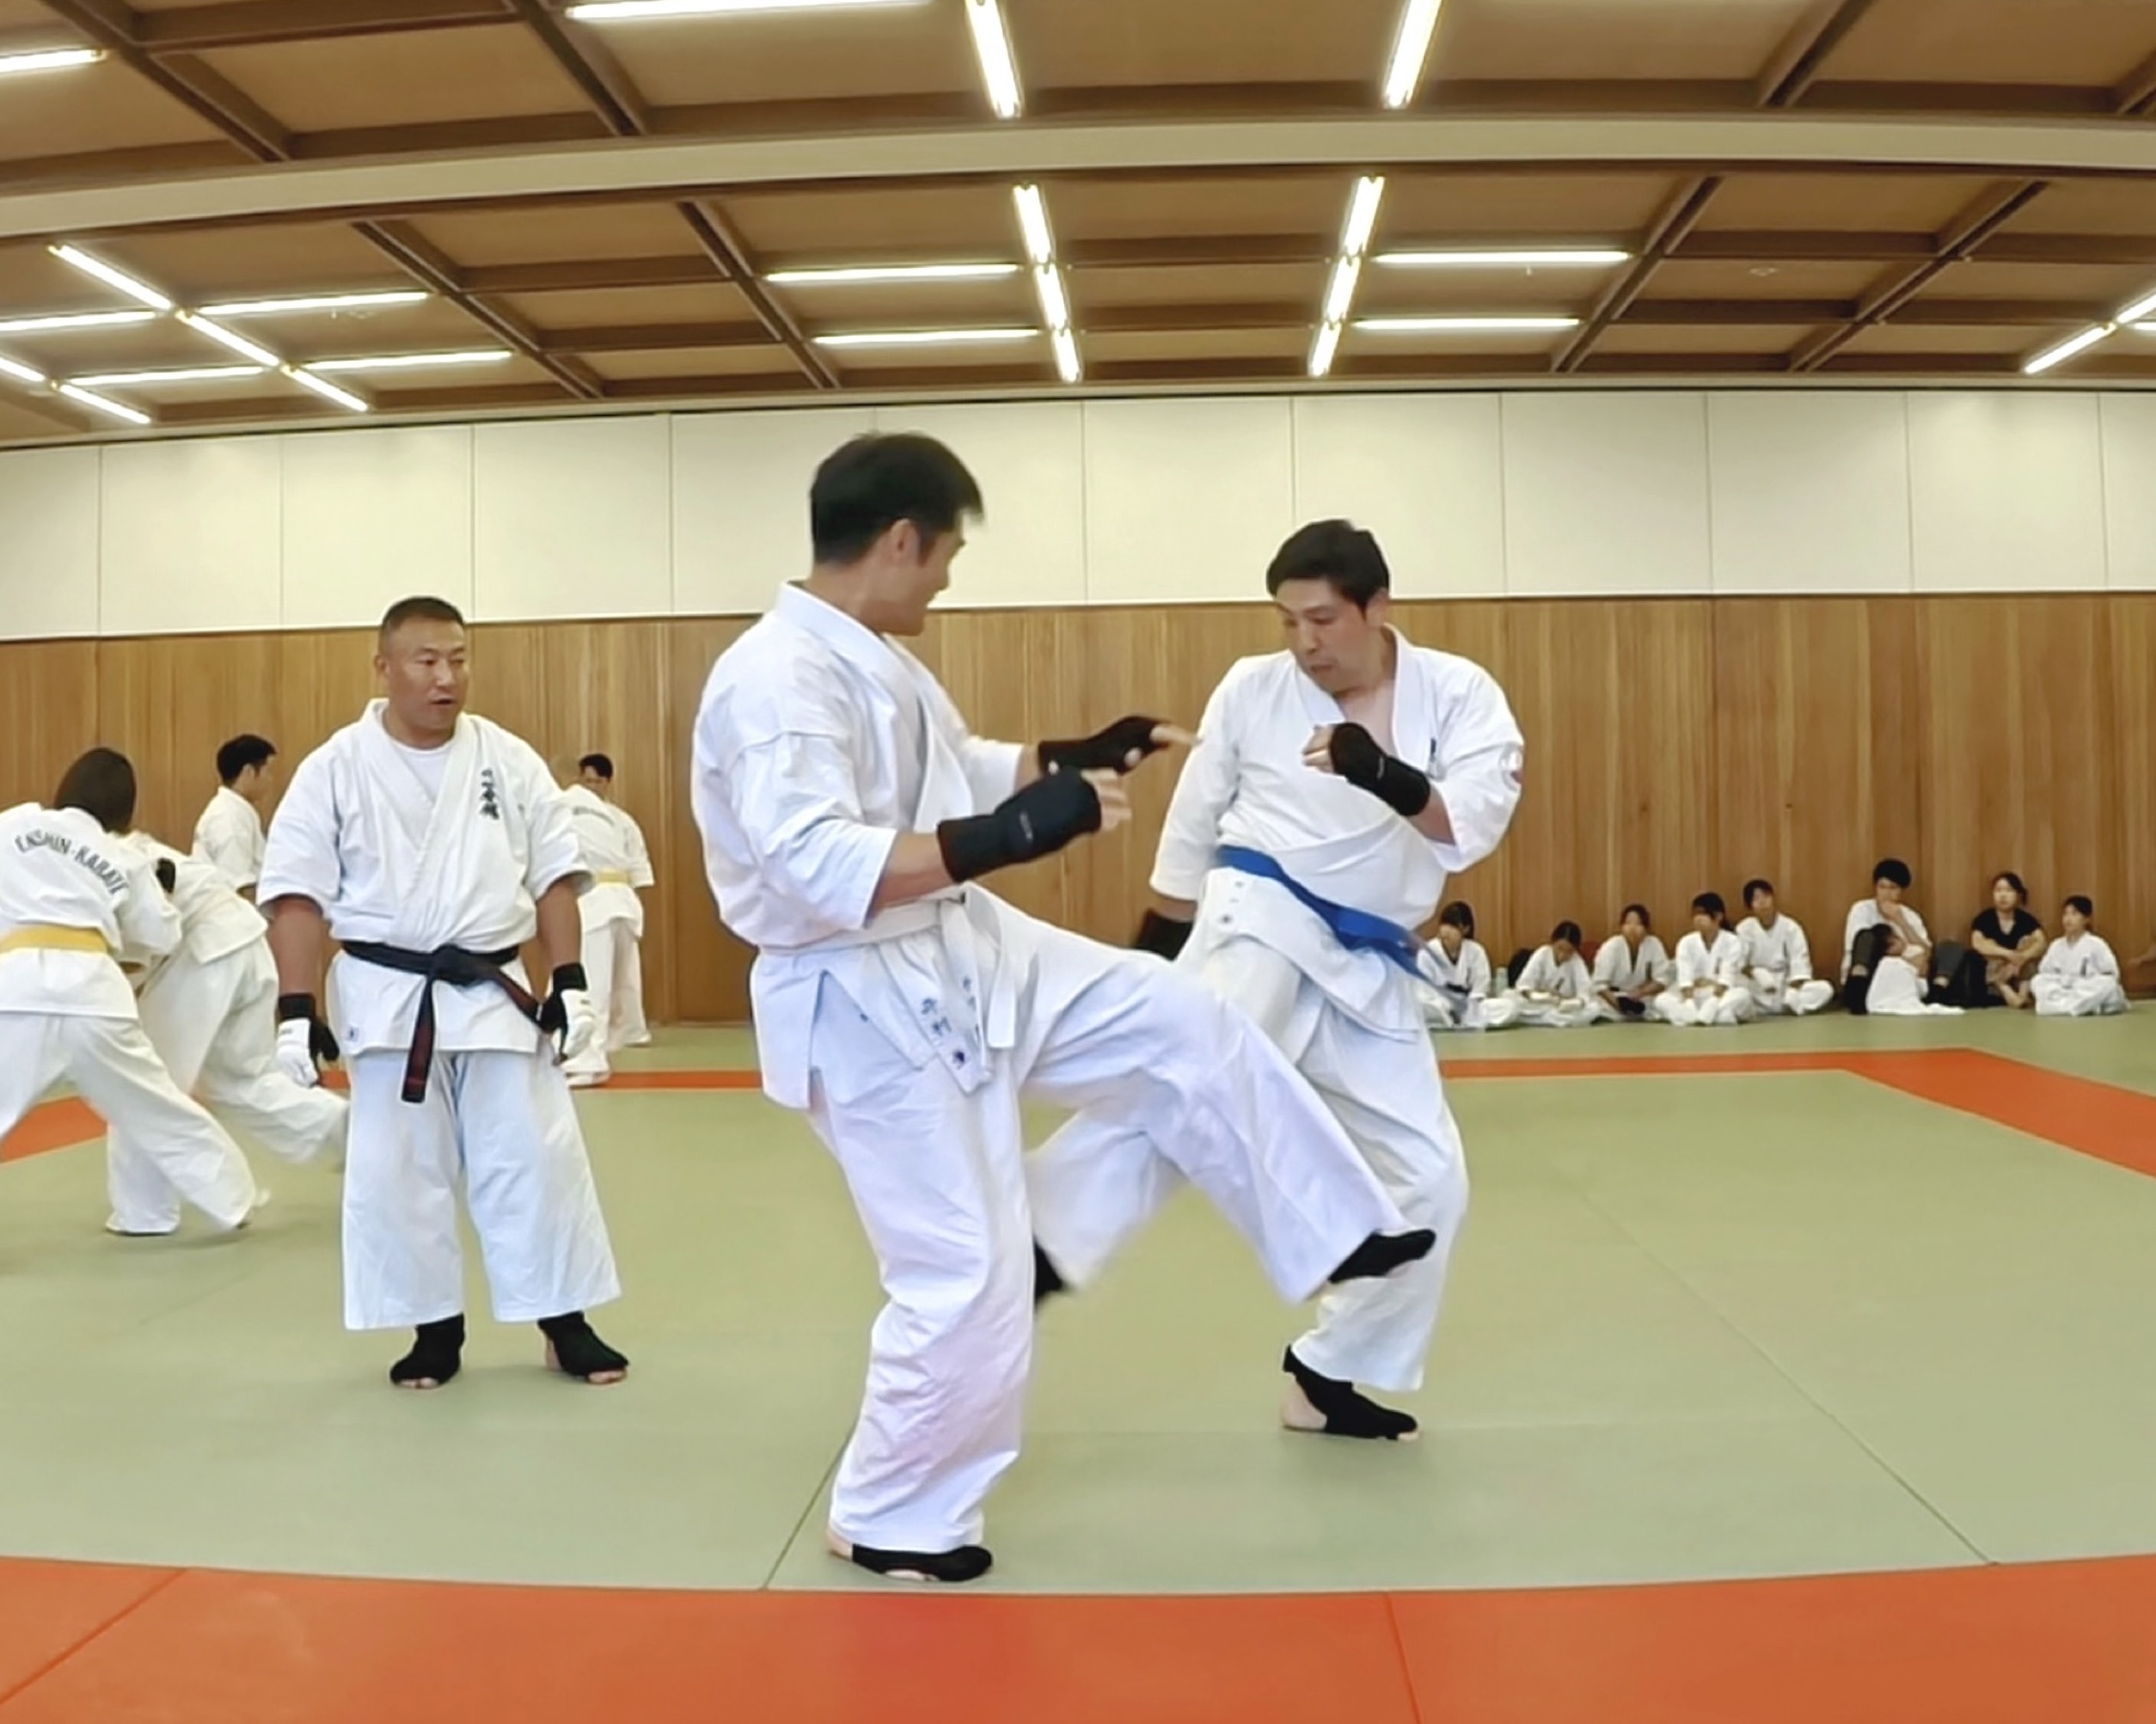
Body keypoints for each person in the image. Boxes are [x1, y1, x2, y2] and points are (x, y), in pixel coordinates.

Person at [690, 434, 1434, 1585]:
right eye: (946, 554)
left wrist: (1063, 756)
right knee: (964, 1271)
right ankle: (891, 1511)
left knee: (1181, 1016)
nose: (947, 578)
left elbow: (955, 764)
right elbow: (814, 862)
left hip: (961, 942)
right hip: (860, 991)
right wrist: (1010, 834)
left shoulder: (871, 656)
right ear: (900, 540)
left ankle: (1333, 1224)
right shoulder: (773, 680)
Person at [1032, 519, 1524, 1445]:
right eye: (1288, 621)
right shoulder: (1254, 687)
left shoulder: (1459, 693)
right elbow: (1193, 819)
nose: (1304, 641)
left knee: (1431, 1180)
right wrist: (1158, 954)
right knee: (1194, 1067)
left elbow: (1470, 826)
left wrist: (1383, 773)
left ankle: (1327, 1371)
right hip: (1259, 912)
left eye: (1323, 619)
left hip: (1370, 961)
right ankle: (1031, 1244)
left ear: (1377, 608)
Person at [257, 597, 627, 1394]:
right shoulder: (335, 766)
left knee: (534, 1157)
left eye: (458, 659)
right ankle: (433, 1329)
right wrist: (295, 1011)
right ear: (383, 667)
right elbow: (296, 894)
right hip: (388, 993)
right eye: (426, 660)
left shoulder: (507, 757)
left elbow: (555, 875)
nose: (445, 677)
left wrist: (569, 983)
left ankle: (563, 1320)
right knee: (399, 1170)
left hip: (493, 987)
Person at [0, 749, 259, 1233]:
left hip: (18, 988)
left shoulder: (14, 825)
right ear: (124, 810)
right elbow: (160, 935)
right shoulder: (122, 855)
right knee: (153, 1104)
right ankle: (232, 1200)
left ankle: (183, 1207)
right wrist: (161, 894)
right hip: (95, 993)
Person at [104, 827, 349, 1237]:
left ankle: (146, 1211)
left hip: (208, 950)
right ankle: (347, 1131)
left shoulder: (97, 859)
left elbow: (158, 893)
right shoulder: (111, 849)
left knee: (142, 1083)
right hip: (244, 941)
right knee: (242, 1081)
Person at [559, 754, 656, 1088]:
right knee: (599, 980)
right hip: (597, 899)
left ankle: (597, 1051)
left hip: (614, 900)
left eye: (596, 781)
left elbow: (638, 866)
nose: (590, 786)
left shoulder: (614, 818)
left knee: (610, 981)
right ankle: (594, 1048)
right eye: (586, 780)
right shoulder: (571, 805)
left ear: (608, 782)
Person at [192, 734, 278, 897]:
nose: (270, 779)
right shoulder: (229, 818)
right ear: (249, 772)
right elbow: (239, 887)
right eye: (267, 772)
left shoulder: (234, 811)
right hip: (228, 910)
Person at [1655, 892, 1756, 1028]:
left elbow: (1727, 977)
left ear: (1718, 916)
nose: (1698, 918)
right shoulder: (1686, 942)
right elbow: (1684, 978)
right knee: (1661, 1000)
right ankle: (1698, 1015)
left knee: (1743, 995)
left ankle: (1699, 1016)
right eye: (1695, 914)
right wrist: (1689, 1003)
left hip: (1721, 995)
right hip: (1693, 994)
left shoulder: (1732, 941)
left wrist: (1712, 1001)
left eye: (1703, 914)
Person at [1735, 880, 1833, 1017]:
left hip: (1784, 985)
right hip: (1757, 986)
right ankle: (1759, 1008)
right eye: (1756, 899)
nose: (1763, 903)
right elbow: (1739, 963)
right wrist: (1757, 972)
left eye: (1766, 897)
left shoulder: (1791, 927)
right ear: (1749, 906)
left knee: (1825, 989)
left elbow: (1799, 963)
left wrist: (1793, 989)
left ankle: (1789, 1005)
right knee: (1736, 985)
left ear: (1773, 899)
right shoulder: (1744, 928)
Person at [2032, 896, 2127, 1017]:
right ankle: (2084, 1007)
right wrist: (2063, 983)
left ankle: (2062, 1007)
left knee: (2108, 984)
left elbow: (2111, 974)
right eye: (2065, 914)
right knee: (2037, 981)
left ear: (2086, 919)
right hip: (2064, 989)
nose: (2068, 919)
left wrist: (2083, 984)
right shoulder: (2056, 945)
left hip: (2085, 989)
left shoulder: (2096, 944)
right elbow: (2045, 972)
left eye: (2074, 914)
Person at [1421, 901, 1504, 1031]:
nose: (1446, 931)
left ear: (1466, 929)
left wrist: (1467, 1005)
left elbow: (1481, 988)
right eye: (1444, 925)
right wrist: (1444, 1005)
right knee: (1422, 1006)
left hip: (1468, 1009)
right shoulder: (1428, 951)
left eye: (1453, 926)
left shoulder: (1476, 951)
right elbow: (1423, 990)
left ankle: (1466, 1021)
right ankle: (1451, 1020)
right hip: (1440, 1007)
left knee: (1509, 1006)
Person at [1970, 873, 2046, 1009]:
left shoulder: (2026, 919)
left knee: (2028, 942)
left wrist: (2021, 958)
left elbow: (2041, 943)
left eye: (2008, 890)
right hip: (1995, 973)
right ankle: (2004, 988)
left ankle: (2023, 995)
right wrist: (2007, 954)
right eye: (1998, 890)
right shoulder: (1985, 918)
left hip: (2020, 972)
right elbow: (1977, 943)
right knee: (1990, 946)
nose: (2003, 895)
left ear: (2018, 895)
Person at [1504, 921, 1598, 1028]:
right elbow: (1523, 986)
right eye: (1560, 948)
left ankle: (1541, 1020)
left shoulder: (1576, 961)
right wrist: (1539, 996)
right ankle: (1555, 1020)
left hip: (1561, 1007)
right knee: (1511, 999)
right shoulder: (1542, 954)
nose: (1562, 955)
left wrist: (1574, 1003)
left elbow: (1585, 993)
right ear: (1553, 942)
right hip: (1538, 1004)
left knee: (1594, 1008)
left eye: (1569, 951)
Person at [1591, 904, 1670, 1020]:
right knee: (1593, 1009)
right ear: (1621, 926)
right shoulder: (1611, 946)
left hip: (1642, 997)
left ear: (1646, 928)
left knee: (1663, 1002)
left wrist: (1641, 992)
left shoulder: (1654, 944)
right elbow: (1599, 985)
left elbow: (1662, 980)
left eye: (1638, 924)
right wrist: (1620, 1005)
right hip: (1613, 998)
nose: (1632, 928)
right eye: (1628, 923)